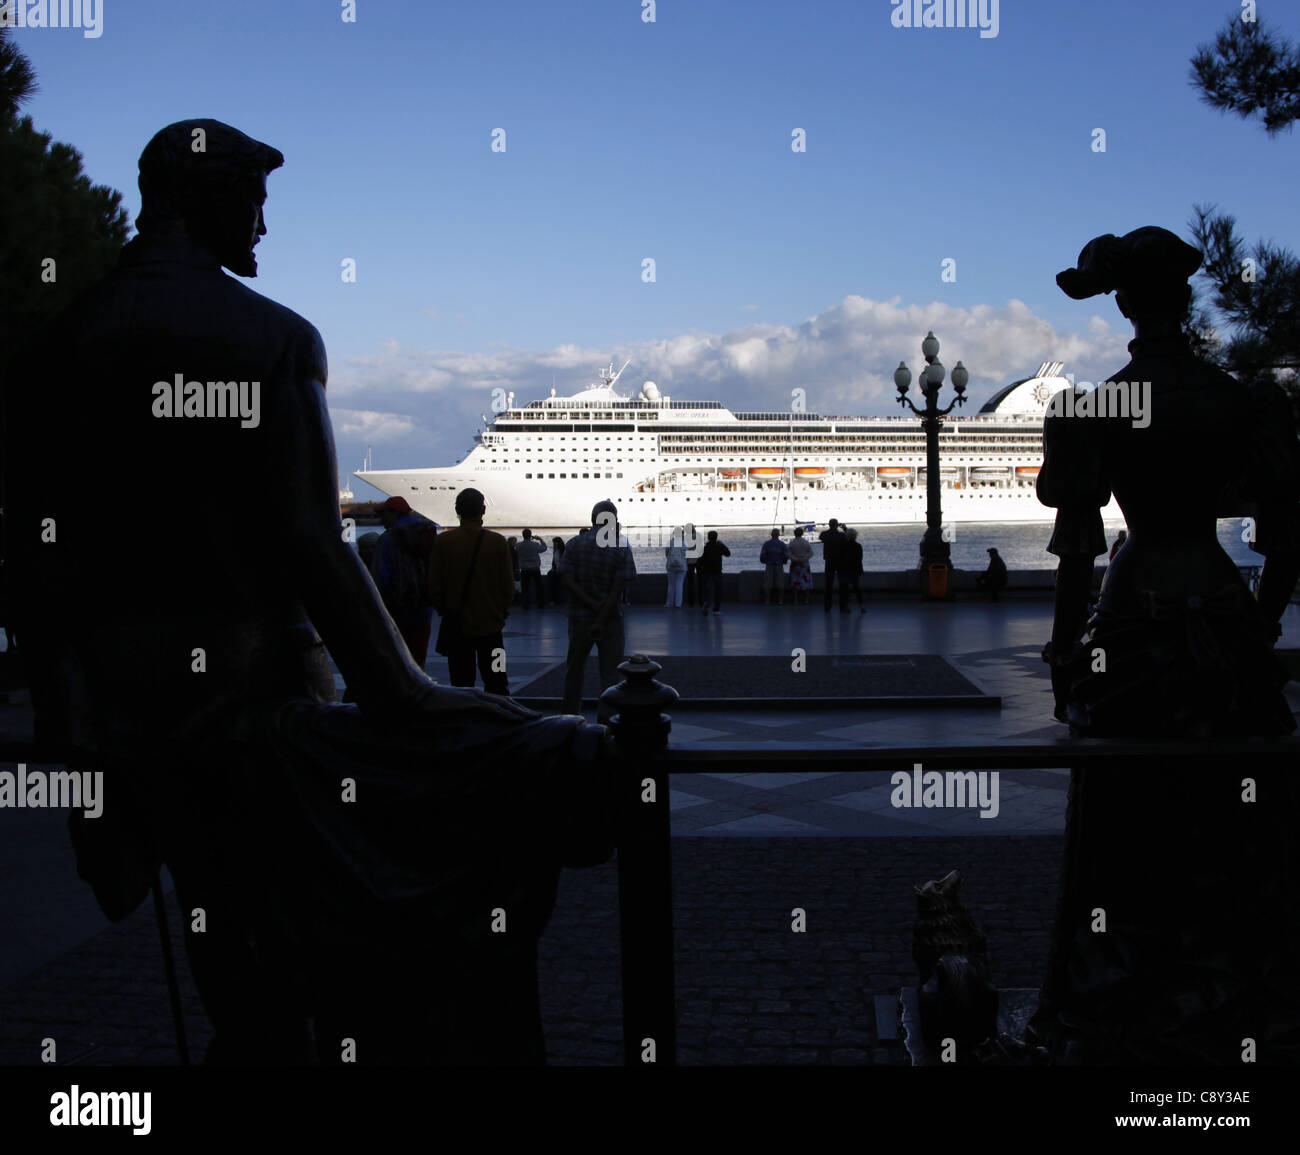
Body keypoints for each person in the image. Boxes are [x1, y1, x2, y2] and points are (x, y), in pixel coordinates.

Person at [2, 119, 614, 1067]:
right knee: (331, 943)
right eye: (254, 200)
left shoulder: (61, 342)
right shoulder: (271, 340)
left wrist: (76, 743)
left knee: (230, 979)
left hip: (128, 721)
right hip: (263, 712)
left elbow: (37, 567)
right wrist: (419, 701)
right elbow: (312, 551)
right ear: (203, 199)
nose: (263, 224)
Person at [429, 489, 515, 694]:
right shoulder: (497, 542)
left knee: (461, 684)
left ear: (457, 510)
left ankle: (466, 723)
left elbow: (434, 584)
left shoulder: (443, 541)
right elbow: (508, 585)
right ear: (483, 510)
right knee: (498, 680)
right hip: (492, 629)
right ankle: (502, 722)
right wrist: (500, 613)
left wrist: (445, 609)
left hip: (458, 628)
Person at [559, 501, 636, 721]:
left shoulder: (574, 544)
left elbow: (567, 580)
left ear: (592, 519)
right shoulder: (620, 547)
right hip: (610, 620)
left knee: (574, 671)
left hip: (579, 619)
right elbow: (619, 588)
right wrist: (601, 614)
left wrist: (590, 604)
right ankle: (607, 721)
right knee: (611, 675)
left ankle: (569, 719)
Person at [372, 495, 438, 667]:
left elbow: (381, 576)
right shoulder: (428, 534)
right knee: (419, 655)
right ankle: (422, 684)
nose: (382, 519)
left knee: (397, 658)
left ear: (395, 513)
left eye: (384, 514)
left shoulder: (387, 539)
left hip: (396, 608)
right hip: (424, 606)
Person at [697, 530, 730, 615]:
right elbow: (728, 554)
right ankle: (716, 609)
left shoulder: (704, 548)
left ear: (708, 538)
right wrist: (722, 544)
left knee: (706, 590)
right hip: (717, 572)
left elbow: (699, 561)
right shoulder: (719, 547)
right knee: (718, 590)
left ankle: (706, 602)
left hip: (706, 572)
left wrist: (700, 570)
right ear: (716, 537)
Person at [515, 528, 547, 610]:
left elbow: (515, 550)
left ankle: (525, 605)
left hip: (524, 569)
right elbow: (544, 548)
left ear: (523, 535)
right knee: (539, 587)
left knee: (525, 588)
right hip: (535, 569)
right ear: (530, 535)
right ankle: (541, 604)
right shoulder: (535, 544)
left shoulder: (518, 545)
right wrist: (540, 539)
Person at [819, 518, 847, 612]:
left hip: (829, 561)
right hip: (840, 561)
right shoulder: (841, 535)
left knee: (828, 585)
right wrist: (845, 529)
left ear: (829, 524)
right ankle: (842, 607)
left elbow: (821, 538)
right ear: (837, 524)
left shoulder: (824, 534)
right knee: (842, 585)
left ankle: (827, 607)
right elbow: (848, 539)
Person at [759, 528, 789, 605]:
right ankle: (780, 600)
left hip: (769, 565)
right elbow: (786, 555)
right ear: (779, 535)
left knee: (767, 583)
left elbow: (762, 555)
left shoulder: (766, 544)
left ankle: (767, 600)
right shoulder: (782, 544)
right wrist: (784, 562)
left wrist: (764, 561)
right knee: (780, 583)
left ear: (771, 535)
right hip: (779, 565)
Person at [840, 528, 866, 613]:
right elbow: (860, 559)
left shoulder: (843, 546)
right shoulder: (858, 546)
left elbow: (840, 558)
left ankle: (846, 606)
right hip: (855, 569)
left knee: (845, 589)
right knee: (856, 588)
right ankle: (861, 605)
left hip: (845, 569)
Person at [787, 526, 813, 605]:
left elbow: (788, 554)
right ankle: (806, 600)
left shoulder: (791, 543)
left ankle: (795, 600)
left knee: (795, 581)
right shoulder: (806, 542)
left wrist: (796, 559)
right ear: (802, 533)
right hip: (804, 564)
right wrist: (804, 559)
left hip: (795, 564)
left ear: (795, 534)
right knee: (807, 581)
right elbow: (811, 553)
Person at [664, 526, 687, 608]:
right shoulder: (683, 543)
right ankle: (678, 604)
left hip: (671, 566)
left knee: (671, 585)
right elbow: (685, 554)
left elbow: (666, 554)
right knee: (679, 584)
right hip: (682, 566)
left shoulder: (670, 542)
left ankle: (669, 603)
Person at [547, 536, 566, 606]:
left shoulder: (561, 552)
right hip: (558, 571)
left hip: (561, 572)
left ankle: (553, 600)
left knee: (553, 583)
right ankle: (554, 599)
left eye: (554, 544)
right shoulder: (557, 552)